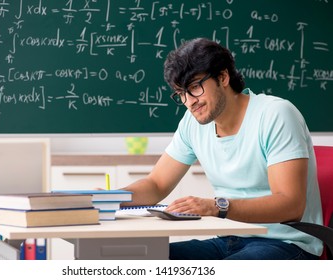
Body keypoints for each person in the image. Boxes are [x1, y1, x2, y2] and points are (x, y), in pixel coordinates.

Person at [121, 38, 323, 260]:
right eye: (180, 93)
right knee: (140, 259)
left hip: (287, 244)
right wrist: (107, 198)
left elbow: (290, 205)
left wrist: (217, 207)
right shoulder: (192, 124)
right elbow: (156, 184)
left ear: (223, 77)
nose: (189, 102)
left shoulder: (276, 114)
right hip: (229, 240)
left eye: (195, 87)